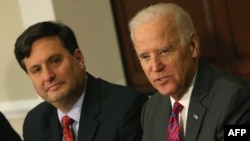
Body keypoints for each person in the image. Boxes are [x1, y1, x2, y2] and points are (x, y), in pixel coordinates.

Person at [128, 3, 250, 141]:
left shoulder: (233, 100)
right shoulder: (151, 109)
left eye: (164, 51)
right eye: (145, 57)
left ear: (192, 45)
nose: (155, 67)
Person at [14, 21, 148, 141]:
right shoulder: (35, 122)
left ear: (79, 59)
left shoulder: (126, 107)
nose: (48, 76)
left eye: (55, 61)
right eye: (36, 70)